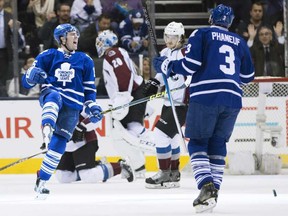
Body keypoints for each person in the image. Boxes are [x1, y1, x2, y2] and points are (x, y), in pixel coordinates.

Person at [153, 4, 254, 213]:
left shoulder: (203, 33)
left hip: (206, 97)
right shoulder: (240, 41)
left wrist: (167, 66)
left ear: (211, 19)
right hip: (233, 99)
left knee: (198, 142)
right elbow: (247, 77)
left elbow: (190, 65)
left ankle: (206, 186)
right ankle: (212, 193)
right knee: (217, 144)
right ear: (230, 22)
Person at [21, 23, 103, 199]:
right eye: (73, 34)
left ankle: (41, 183)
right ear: (62, 38)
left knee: (59, 146)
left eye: (77, 35)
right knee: (54, 97)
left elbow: (89, 91)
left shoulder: (85, 60)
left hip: (73, 108)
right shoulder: (48, 55)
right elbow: (26, 82)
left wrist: (92, 106)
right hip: (52, 94)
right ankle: (47, 131)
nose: (77, 38)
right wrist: (30, 76)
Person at [95, 30, 151, 177]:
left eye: (100, 42)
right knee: (120, 134)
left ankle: (163, 147)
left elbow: (124, 75)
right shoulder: (116, 53)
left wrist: (123, 98)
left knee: (133, 128)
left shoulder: (112, 53)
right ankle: (139, 168)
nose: (98, 45)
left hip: (130, 95)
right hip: (131, 94)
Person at [143, 22, 190, 189]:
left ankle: (164, 173)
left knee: (160, 135)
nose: (169, 40)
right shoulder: (164, 52)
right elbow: (162, 73)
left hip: (181, 103)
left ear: (181, 37)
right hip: (168, 102)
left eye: (174, 37)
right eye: (167, 36)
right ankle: (174, 174)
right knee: (173, 139)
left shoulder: (185, 53)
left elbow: (189, 74)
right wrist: (155, 81)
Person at [55, 112, 135, 183]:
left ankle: (121, 166)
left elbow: (96, 117)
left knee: (87, 175)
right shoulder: (53, 104)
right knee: (63, 176)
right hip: (68, 144)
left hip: (84, 141)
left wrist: (82, 127)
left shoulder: (79, 99)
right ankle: (99, 166)